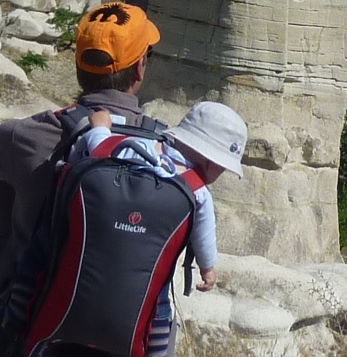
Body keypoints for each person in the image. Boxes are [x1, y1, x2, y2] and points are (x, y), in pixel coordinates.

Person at [0, 0, 160, 321]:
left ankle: (5, 296)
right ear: (140, 68)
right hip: (123, 326)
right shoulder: (162, 146)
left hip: (32, 321)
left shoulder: (34, 133)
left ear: (78, 67)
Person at [74, 100, 247, 292]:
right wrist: (208, 269)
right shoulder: (198, 192)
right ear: (212, 163)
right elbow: (203, 238)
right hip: (145, 284)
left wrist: (100, 127)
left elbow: (100, 149)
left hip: (91, 262)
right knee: (158, 298)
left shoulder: (132, 148)